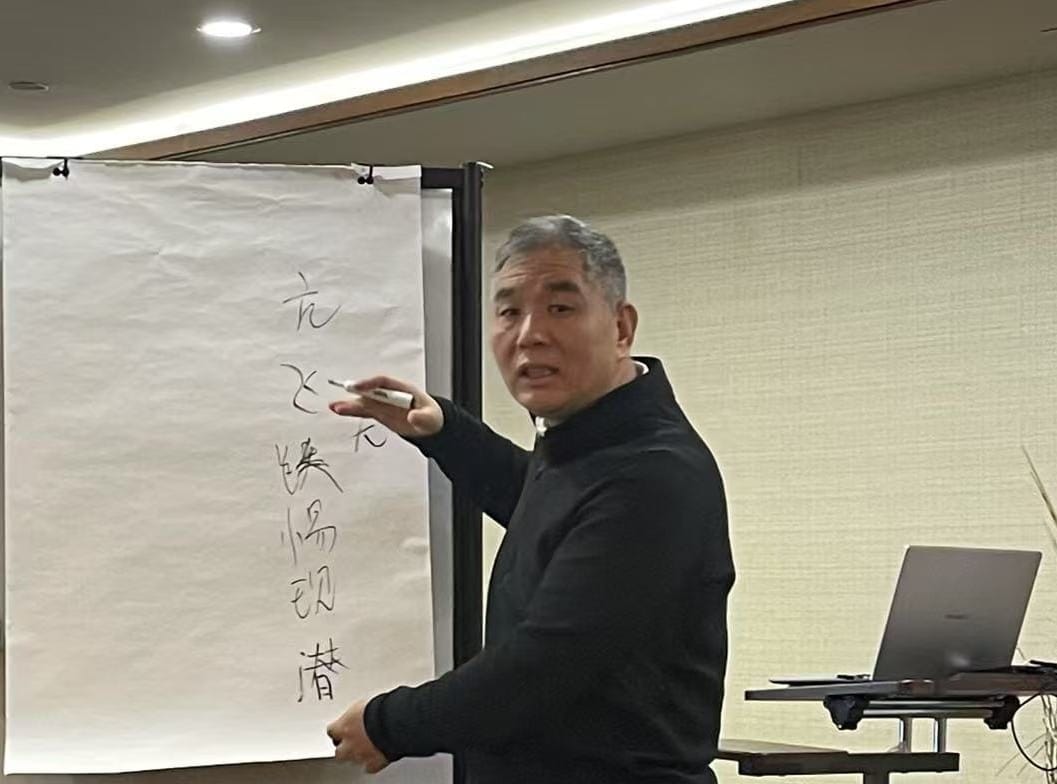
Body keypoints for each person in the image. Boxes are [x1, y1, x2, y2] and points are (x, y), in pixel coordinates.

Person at [326, 215, 734, 783]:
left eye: (560, 308)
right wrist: (445, 430)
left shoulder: (654, 472)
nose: (529, 334)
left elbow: (543, 664)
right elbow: (547, 508)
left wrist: (387, 724)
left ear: (621, 328)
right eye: (509, 311)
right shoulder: (590, 444)